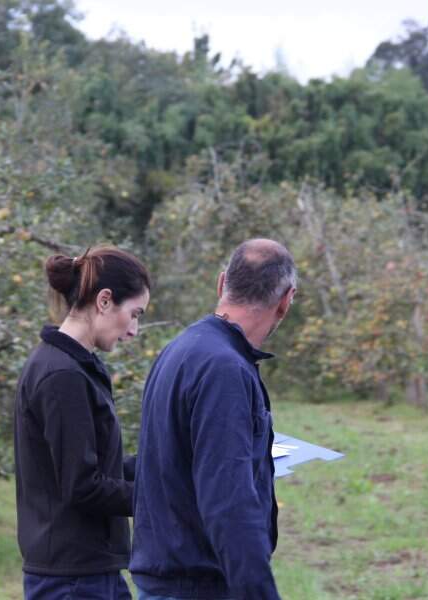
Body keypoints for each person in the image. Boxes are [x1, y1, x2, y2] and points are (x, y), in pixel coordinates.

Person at [130, 238, 296, 600]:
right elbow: (229, 502)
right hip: (195, 587)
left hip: (163, 577)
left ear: (222, 284)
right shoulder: (224, 370)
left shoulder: (180, 349)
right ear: (285, 301)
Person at [14, 245, 150, 600]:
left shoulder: (78, 367)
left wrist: (165, 468)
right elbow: (83, 486)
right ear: (104, 301)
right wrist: (167, 498)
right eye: (135, 314)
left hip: (92, 572)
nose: (134, 330)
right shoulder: (61, 375)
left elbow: (94, 465)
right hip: (72, 581)